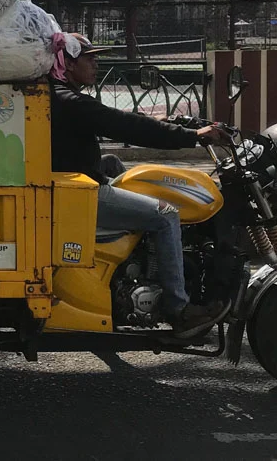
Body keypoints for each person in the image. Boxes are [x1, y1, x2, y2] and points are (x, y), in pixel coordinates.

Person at [49, 33, 229, 339]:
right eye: (89, 59)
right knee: (165, 214)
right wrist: (190, 137)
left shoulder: (60, 94)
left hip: (76, 183)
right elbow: (124, 125)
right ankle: (178, 309)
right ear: (66, 63)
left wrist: (186, 124)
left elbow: (122, 118)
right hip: (75, 193)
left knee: (115, 165)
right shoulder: (68, 101)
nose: (96, 64)